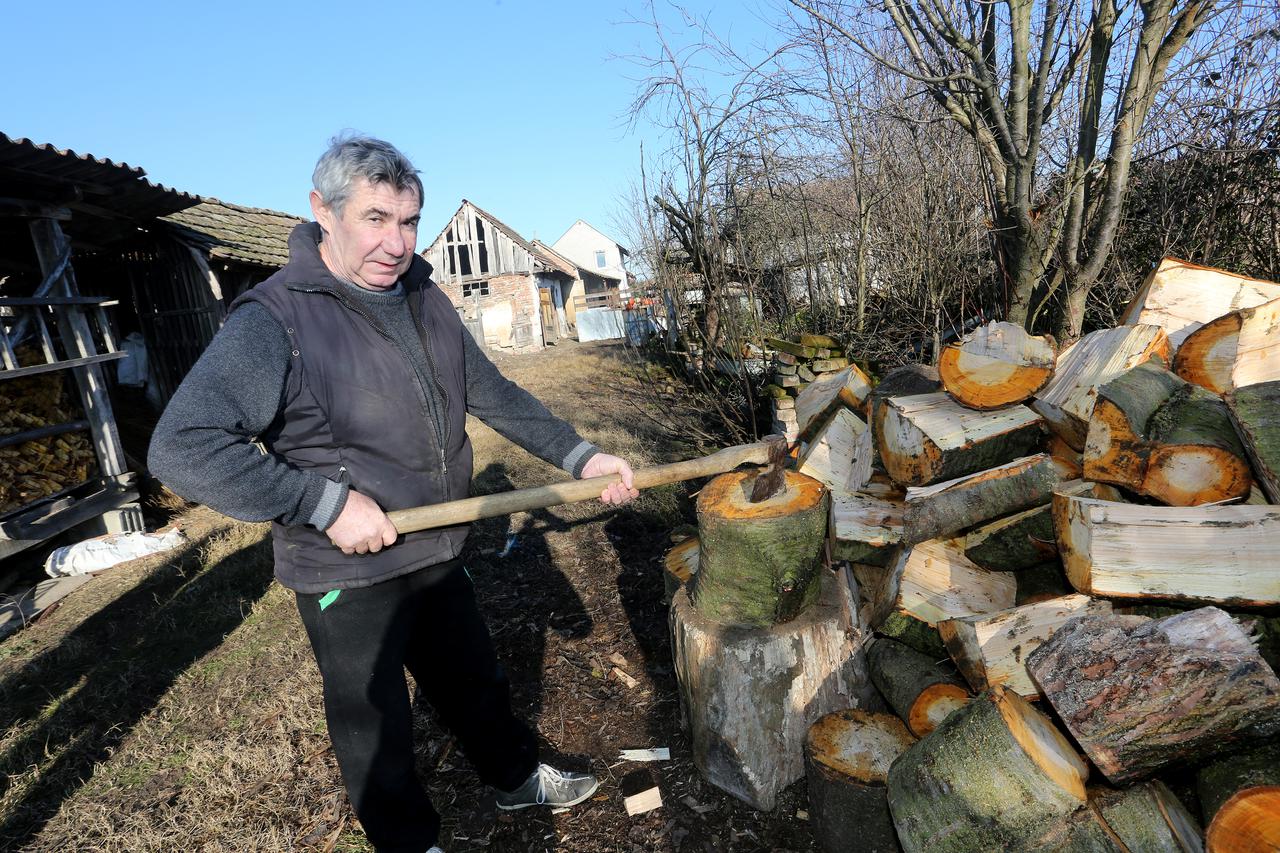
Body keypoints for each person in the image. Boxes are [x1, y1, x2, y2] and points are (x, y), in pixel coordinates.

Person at [148, 134, 639, 853]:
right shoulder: (275, 318)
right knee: (374, 726)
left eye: (408, 221)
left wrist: (580, 454)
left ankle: (513, 777)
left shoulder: (423, 297)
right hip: (344, 571)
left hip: (435, 545)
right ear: (323, 212)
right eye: (376, 219)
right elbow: (181, 446)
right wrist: (326, 504)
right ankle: (408, 842)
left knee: (474, 676)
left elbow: (489, 389)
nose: (397, 241)